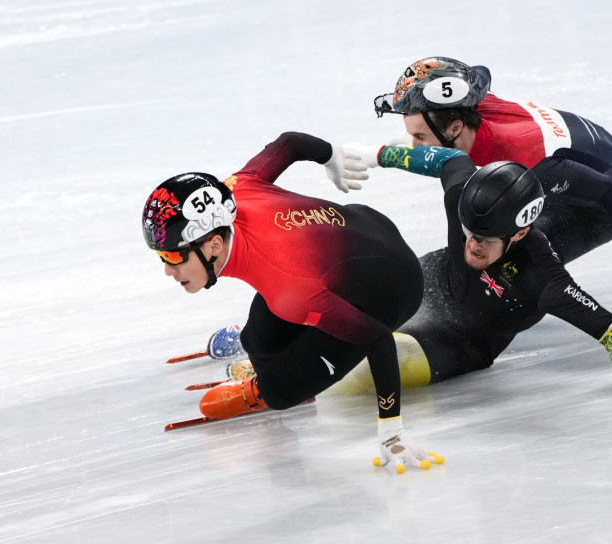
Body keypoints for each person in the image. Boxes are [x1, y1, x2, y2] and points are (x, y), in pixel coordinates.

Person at [142, 131, 442, 472]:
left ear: (213, 245)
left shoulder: (292, 289)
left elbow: (378, 339)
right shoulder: (237, 188)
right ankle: (292, 362)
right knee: (255, 339)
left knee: (280, 391)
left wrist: (392, 429)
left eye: (172, 255)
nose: (168, 270)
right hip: (365, 231)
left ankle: (267, 387)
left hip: (391, 291)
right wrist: (333, 156)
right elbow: (289, 144)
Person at [372, 56, 612, 338]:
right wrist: (377, 154)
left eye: (421, 137)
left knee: (507, 260)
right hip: (571, 161)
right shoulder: (470, 101)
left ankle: (465, 333)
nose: (414, 145)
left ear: (454, 127)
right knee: (478, 237)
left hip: (594, 206)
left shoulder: (528, 160)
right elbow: (481, 72)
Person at [328, 142, 612, 395]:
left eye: (485, 239)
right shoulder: (462, 195)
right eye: (468, 233)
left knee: (370, 366)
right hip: (422, 283)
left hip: (463, 342)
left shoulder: (542, 274)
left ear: (519, 234)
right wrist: (377, 154)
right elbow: (449, 160)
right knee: (325, 301)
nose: (472, 244)